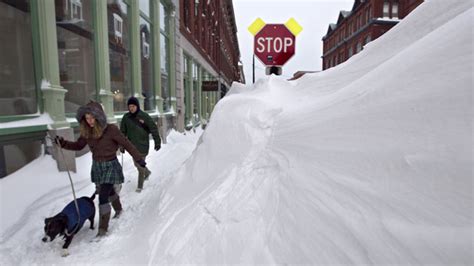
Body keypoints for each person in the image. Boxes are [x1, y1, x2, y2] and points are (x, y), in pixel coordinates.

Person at [54, 101, 146, 237]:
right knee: (108, 192)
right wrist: (63, 143)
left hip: (110, 165)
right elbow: (78, 146)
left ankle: (103, 229)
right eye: (87, 118)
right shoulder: (87, 132)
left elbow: (126, 144)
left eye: (92, 117)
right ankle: (119, 209)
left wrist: (139, 159)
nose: (89, 121)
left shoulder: (111, 130)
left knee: (103, 196)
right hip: (97, 166)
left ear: (99, 117)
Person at [120, 97, 161, 192]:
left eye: (133, 106)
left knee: (140, 165)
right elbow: (122, 132)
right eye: (129, 106)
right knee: (136, 163)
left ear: (137, 106)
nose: (131, 108)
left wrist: (157, 142)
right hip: (132, 146)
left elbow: (153, 128)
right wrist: (121, 146)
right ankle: (147, 173)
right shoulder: (126, 118)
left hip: (143, 145)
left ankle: (140, 185)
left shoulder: (144, 116)